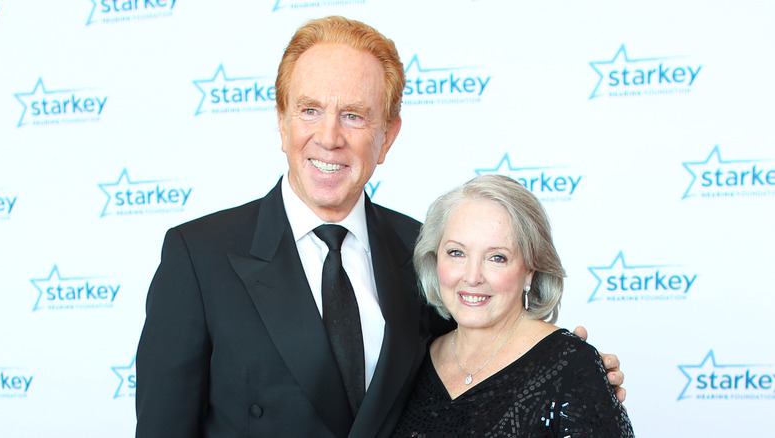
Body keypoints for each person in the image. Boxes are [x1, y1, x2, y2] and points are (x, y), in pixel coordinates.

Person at [135, 16, 625, 438]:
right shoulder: (198, 257)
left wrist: (567, 372)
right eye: (310, 110)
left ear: (388, 136)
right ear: (282, 122)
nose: (329, 137)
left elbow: (478, 358)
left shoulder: (423, 251)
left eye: (354, 116)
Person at [392, 175, 634, 437]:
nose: (472, 276)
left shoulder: (571, 366)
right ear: (434, 257)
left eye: (497, 257)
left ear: (530, 269)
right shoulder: (412, 360)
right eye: (456, 253)